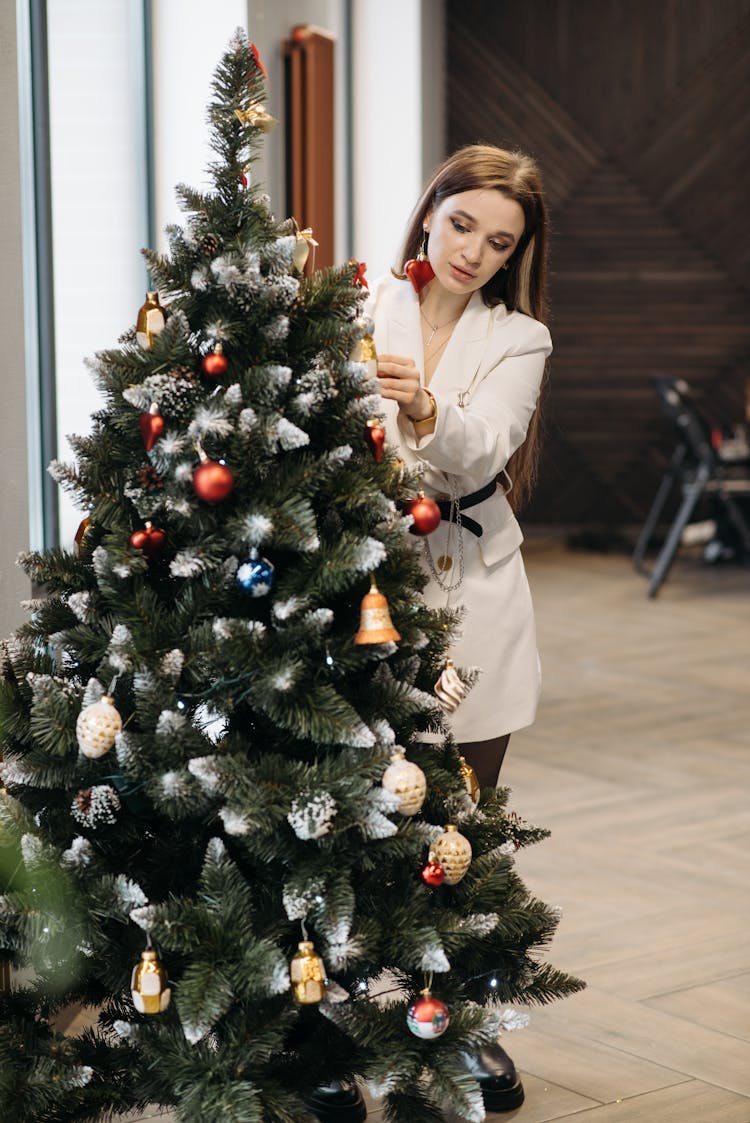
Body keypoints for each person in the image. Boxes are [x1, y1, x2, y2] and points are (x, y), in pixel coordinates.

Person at [368, 142, 552, 1114]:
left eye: (500, 240)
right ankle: (361, 1006)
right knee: (362, 813)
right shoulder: (360, 308)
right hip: (366, 600)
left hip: (476, 596)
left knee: (464, 827)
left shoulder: (519, 338)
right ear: (432, 210)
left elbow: (483, 446)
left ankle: (459, 1021)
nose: (475, 249)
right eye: (463, 222)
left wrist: (429, 407)